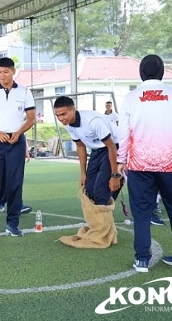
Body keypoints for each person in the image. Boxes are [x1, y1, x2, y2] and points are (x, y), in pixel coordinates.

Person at [117, 54, 172, 273]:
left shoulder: (131, 97)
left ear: (141, 73)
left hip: (139, 164)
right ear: (162, 72)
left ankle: (142, 259)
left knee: (142, 212)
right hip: (170, 164)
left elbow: (123, 132)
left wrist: (120, 160)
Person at [0, 57, 36, 238]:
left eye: (5, 72)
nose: (2, 75)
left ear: (13, 71)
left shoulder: (25, 92)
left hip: (16, 142)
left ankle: (13, 224)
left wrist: (18, 133)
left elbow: (31, 118)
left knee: (15, 184)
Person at [54, 96, 121, 247]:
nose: (61, 119)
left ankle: (105, 235)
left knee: (100, 189)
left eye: (64, 114)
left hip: (113, 148)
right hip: (97, 152)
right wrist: (83, 173)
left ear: (73, 109)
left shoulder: (92, 121)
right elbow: (81, 147)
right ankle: (100, 230)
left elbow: (112, 146)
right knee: (89, 190)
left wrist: (115, 174)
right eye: (57, 115)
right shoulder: (69, 124)